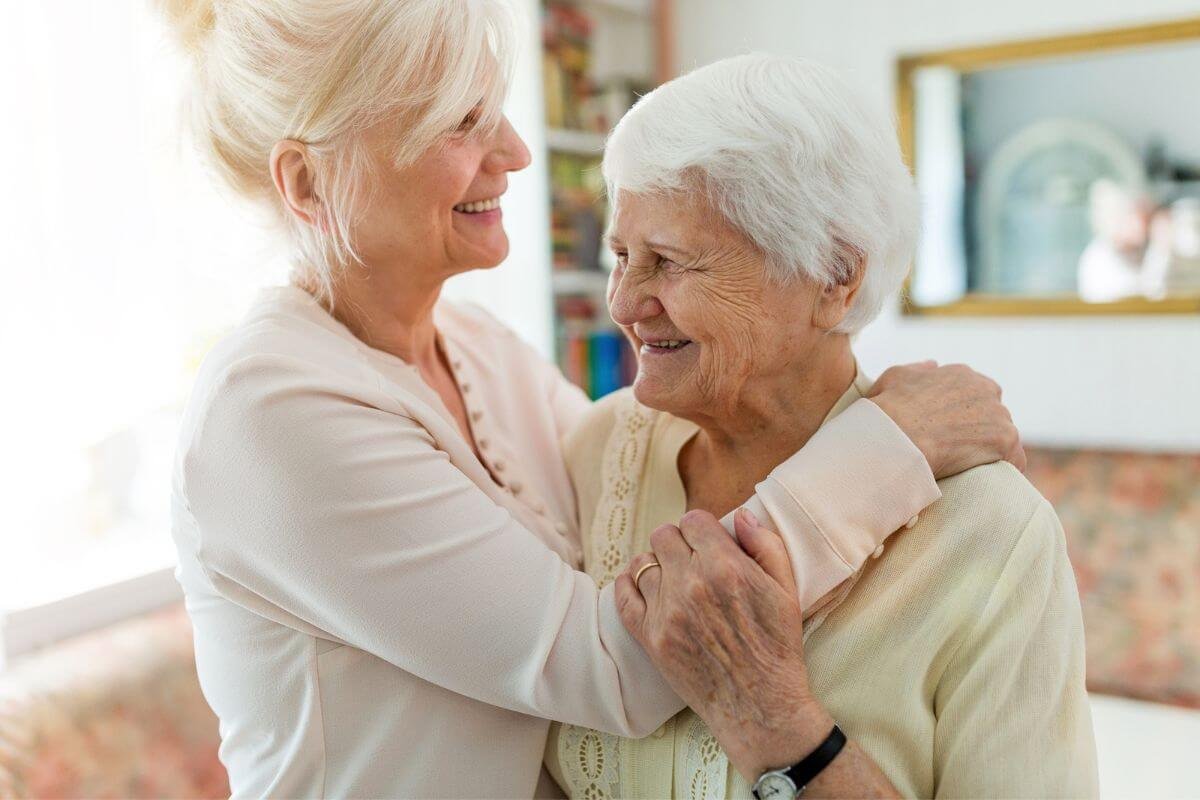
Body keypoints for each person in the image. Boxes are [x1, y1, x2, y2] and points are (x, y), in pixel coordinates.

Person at [158, 2, 1023, 796]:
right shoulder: (271, 418)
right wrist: (888, 448)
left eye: (494, 108)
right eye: (460, 122)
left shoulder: (481, 351)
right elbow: (614, 664)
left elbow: (626, 510)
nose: (514, 152)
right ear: (308, 184)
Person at [545, 54, 1097, 798]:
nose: (623, 301)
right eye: (621, 255)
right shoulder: (597, 449)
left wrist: (773, 720)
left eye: (669, 261)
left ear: (835, 277)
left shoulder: (992, 534)